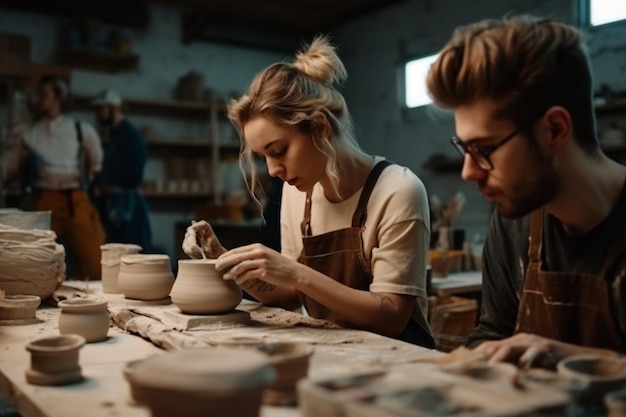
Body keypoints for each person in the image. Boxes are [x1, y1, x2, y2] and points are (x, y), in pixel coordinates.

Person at [182, 35, 435, 347]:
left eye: (279, 151)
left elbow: (393, 317)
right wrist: (224, 259)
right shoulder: (297, 192)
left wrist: (295, 273)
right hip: (337, 349)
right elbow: (290, 296)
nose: (273, 170)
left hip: (402, 357)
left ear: (320, 128)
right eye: (264, 157)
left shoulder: (398, 190)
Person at [426, 15, 626, 367]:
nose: (468, 171)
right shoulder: (513, 223)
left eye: (484, 149)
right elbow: (492, 332)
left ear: (553, 129)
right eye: (464, 148)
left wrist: (577, 360)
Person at [3, 74, 105, 281]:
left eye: (44, 93)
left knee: (96, 260)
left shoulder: (81, 130)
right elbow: (8, 167)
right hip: (44, 200)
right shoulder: (29, 133)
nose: (39, 98)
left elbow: (97, 166)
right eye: (37, 94)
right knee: (37, 260)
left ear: (58, 97)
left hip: (75, 198)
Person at [90, 89, 152, 252]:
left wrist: (110, 185)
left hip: (127, 207)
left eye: (100, 109)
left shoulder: (130, 136)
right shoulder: (114, 135)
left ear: (114, 108)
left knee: (132, 255)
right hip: (113, 205)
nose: (97, 114)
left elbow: (134, 175)